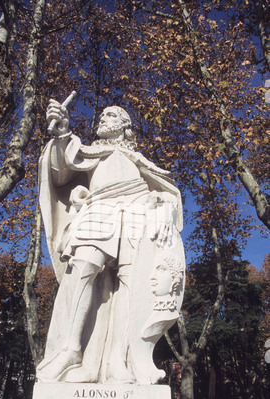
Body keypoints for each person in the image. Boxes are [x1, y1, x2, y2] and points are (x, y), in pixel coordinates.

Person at [37, 100, 185, 384]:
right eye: (102, 114)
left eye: (111, 114)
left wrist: (165, 204)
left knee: (132, 281)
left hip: (137, 209)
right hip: (100, 207)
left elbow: (168, 191)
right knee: (84, 266)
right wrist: (62, 133)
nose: (103, 118)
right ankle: (70, 349)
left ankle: (119, 360)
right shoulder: (90, 151)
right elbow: (59, 171)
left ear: (125, 124)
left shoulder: (138, 158)